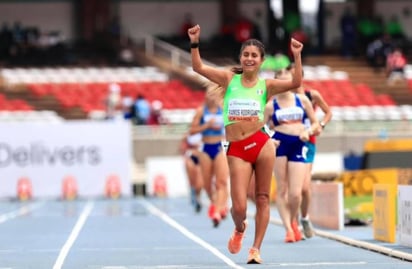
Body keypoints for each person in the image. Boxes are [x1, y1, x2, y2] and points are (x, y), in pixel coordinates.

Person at [188, 24, 303, 264]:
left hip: (262, 143)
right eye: (246, 54)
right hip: (237, 149)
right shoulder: (230, 79)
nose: (249, 58)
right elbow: (197, 67)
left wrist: (297, 55)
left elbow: (295, 82)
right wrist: (195, 42)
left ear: (261, 61)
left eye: (254, 55)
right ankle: (240, 228)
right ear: (241, 57)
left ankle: (255, 249)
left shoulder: (267, 85)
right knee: (238, 207)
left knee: (262, 197)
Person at [263, 69, 320, 243]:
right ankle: (288, 228)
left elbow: (316, 123)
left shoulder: (302, 100)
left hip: (299, 143)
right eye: (281, 80)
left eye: (288, 80)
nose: (285, 84)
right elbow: (261, 127)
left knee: (296, 193)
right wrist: (269, 139)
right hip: (279, 144)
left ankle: (294, 220)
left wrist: (308, 131)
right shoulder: (270, 105)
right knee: (282, 189)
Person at [288, 63, 332, 238]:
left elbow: (328, 112)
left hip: (307, 143)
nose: (293, 79)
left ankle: (304, 218)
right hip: (288, 144)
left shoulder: (311, 95)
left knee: (304, 187)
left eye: (296, 75)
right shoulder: (284, 98)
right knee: (292, 189)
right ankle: (293, 223)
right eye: (290, 76)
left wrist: (320, 125)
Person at [189, 84, 229, 227]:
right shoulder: (201, 111)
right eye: (209, 94)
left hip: (219, 146)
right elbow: (192, 131)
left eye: (214, 94)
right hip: (206, 147)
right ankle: (215, 203)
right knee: (207, 184)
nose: (212, 96)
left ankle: (218, 210)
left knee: (221, 182)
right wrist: (206, 126)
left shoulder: (223, 110)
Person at [179, 131, 203, 213]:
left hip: (200, 158)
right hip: (190, 157)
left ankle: (197, 197)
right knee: (192, 179)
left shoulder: (205, 131)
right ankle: (193, 193)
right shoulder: (188, 134)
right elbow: (182, 148)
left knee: (199, 182)